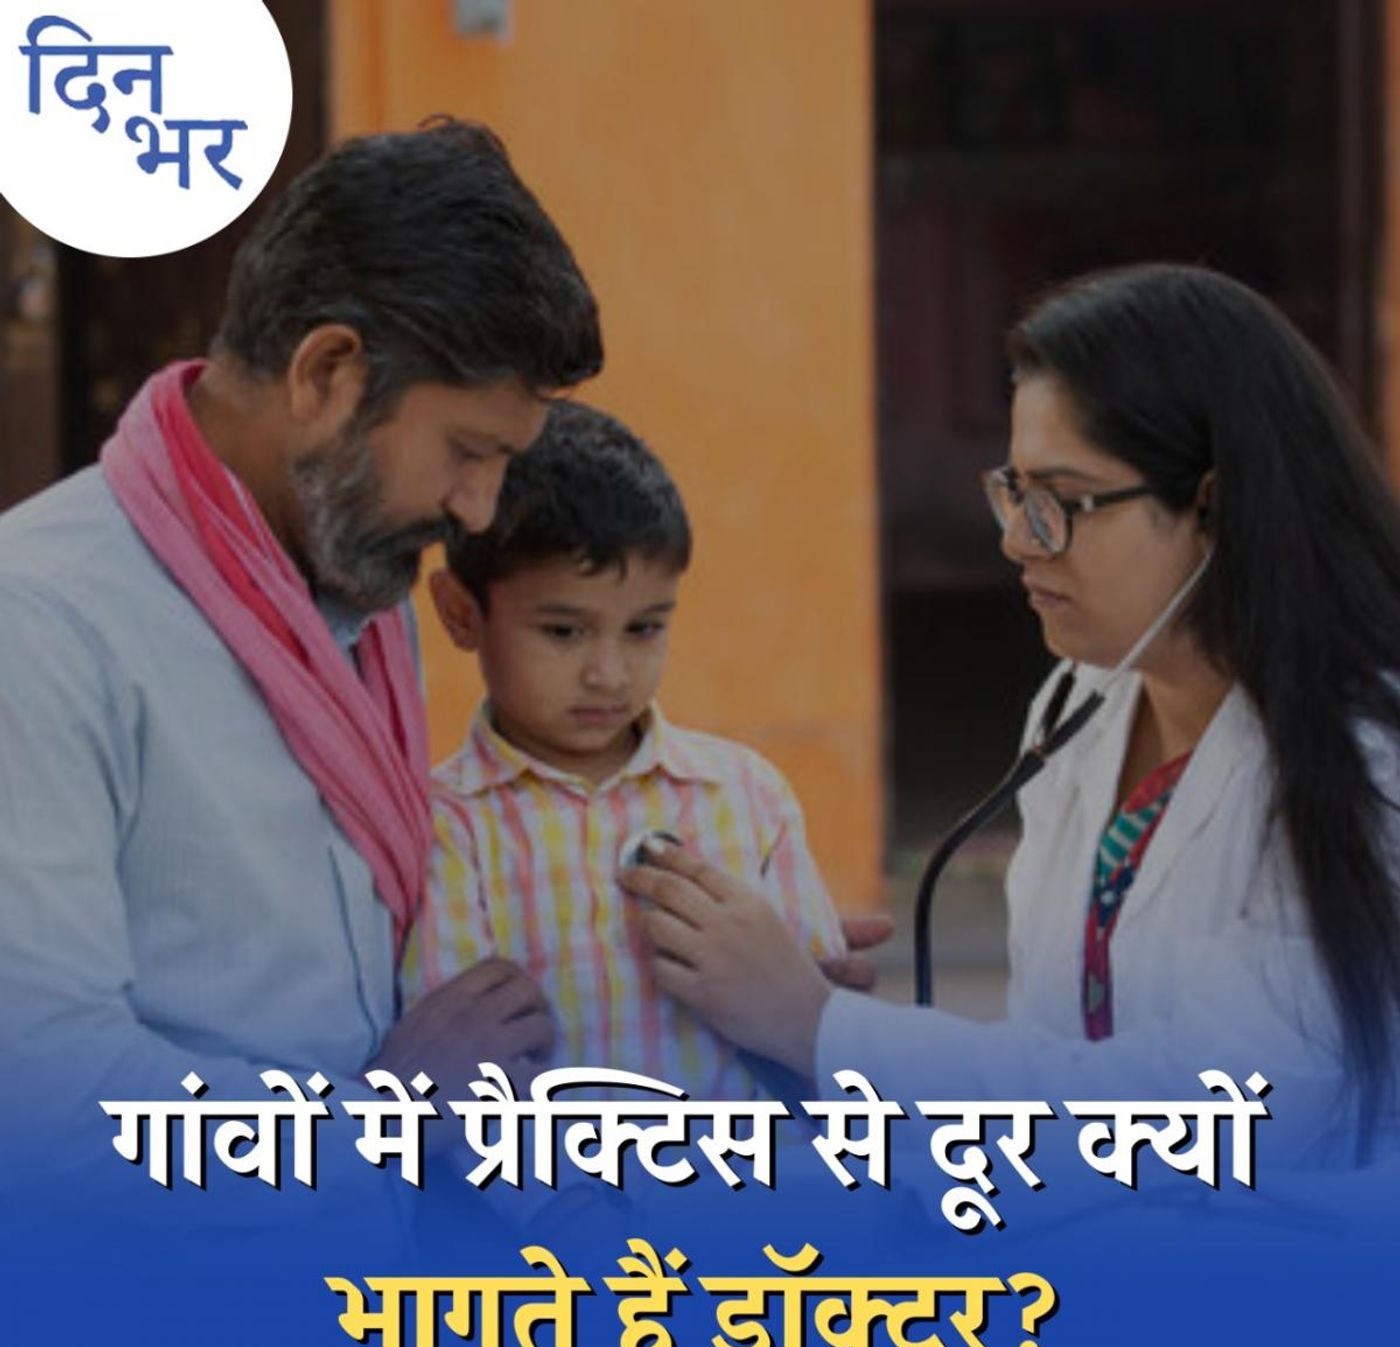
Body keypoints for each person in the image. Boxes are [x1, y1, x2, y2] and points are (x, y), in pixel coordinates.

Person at [621, 263, 1400, 1164]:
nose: (1018, 540)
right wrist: (802, 1012)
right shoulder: (1082, 706)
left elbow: (1208, 1111)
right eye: (1015, 492)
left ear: (1212, 509)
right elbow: (1058, 1054)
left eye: (1062, 502)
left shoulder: (1370, 759)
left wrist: (820, 1027)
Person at [0, 118, 602, 1211]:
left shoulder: (357, 588)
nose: (478, 510)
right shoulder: (39, 625)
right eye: (467, 452)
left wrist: (697, 959)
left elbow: (394, 957)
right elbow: (48, 1104)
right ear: (325, 373)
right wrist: (380, 1124)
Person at [405, 400, 845, 1099]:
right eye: (563, 632)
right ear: (462, 613)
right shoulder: (445, 828)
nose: (608, 675)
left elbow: (817, 1033)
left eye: (643, 629)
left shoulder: (745, 797)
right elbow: (468, 1086)